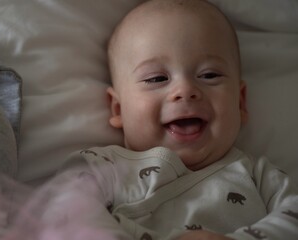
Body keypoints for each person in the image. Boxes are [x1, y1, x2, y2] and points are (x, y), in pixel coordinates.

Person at [34, 0, 298, 239]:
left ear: (239, 103)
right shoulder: (102, 167)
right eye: (157, 79)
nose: (185, 90)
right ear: (118, 108)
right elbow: (63, 213)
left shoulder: (257, 176)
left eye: (209, 75)